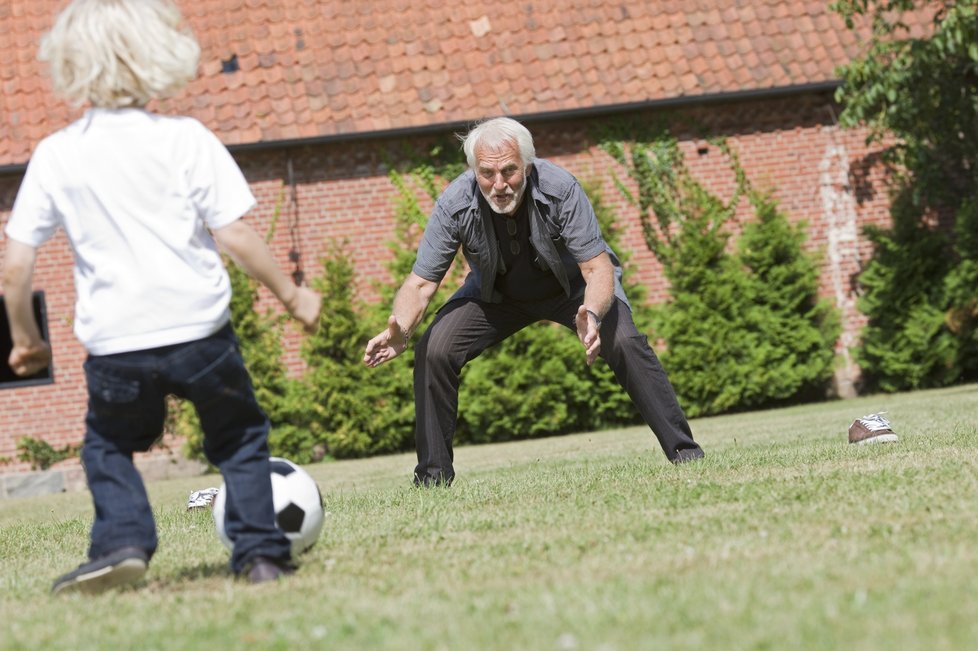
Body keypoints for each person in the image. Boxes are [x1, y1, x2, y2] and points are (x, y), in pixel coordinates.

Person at [2, 0, 322, 594]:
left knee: (108, 444)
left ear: (69, 63)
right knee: (239, 438)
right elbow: (235, 235)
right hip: (200, 333)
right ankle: (260, 556)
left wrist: (26, 340)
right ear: (157, 52)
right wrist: (292, 295)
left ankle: (122, 542)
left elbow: (15, 268)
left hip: (117, 344)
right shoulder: (187, 140)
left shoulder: (56, 154)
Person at [363, 117, 704, 486]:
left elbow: (596, 268)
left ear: (526, 165)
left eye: (509, 170)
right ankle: (432, 479)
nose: (498, 184)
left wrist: (592, 312)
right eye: (487, 173)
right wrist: (402, 328)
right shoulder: (455, 202)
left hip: (572, 291)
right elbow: (421, 284)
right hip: (496, 297)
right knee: (434, 349)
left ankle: (685, 453)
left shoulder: (560, 188)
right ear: (473, 170)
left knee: (624, 341)